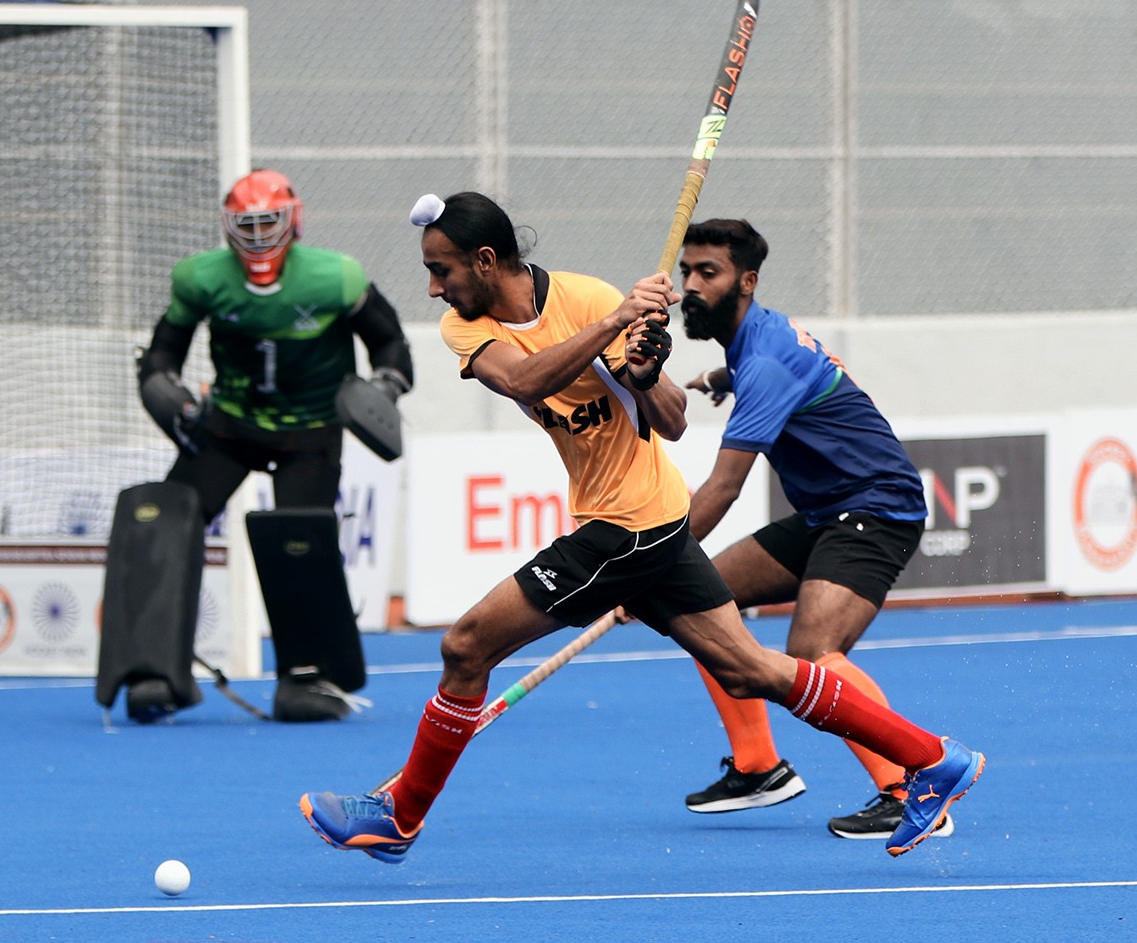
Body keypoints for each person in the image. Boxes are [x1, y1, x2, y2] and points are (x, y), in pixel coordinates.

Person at [299, 191, 982, 861]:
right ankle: (933, 760)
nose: (431, 288)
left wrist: (646, 373)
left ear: (483, 261)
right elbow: (527, 380)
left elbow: (673, 420)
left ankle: (400, 816)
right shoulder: (475, 328)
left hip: (628, 529)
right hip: (640, 527)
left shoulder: (588, 298)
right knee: (751, 670)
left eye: (440, 270)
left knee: (466, 647)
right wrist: (611, 332)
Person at [674, 218, 936, 839]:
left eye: (707, 273)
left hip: (877, 507)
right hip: (826, 512)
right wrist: (723, 376)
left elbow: (723, 488)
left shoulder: (763, 363)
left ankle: (911, 787)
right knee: (703, 600)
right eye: (687, 271)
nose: (691, 285)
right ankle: (758, 768)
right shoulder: (754, 344)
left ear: (747, 281)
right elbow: (782, 370)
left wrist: (651, 564)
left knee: (813, 654)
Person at [130, 168, 414, 722]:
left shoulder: (336, 277)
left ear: (293, 220)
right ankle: (153, 672)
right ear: (227, 227)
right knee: (165, 522)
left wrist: (382, 387)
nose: (259, 236)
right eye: (247, 224)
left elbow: (390, 343)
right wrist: (165, 391)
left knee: (299, 542)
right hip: (229, 425)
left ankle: (307, 679)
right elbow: (163, 353)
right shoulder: (200, 279)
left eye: (269, 222)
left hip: (308, 431)